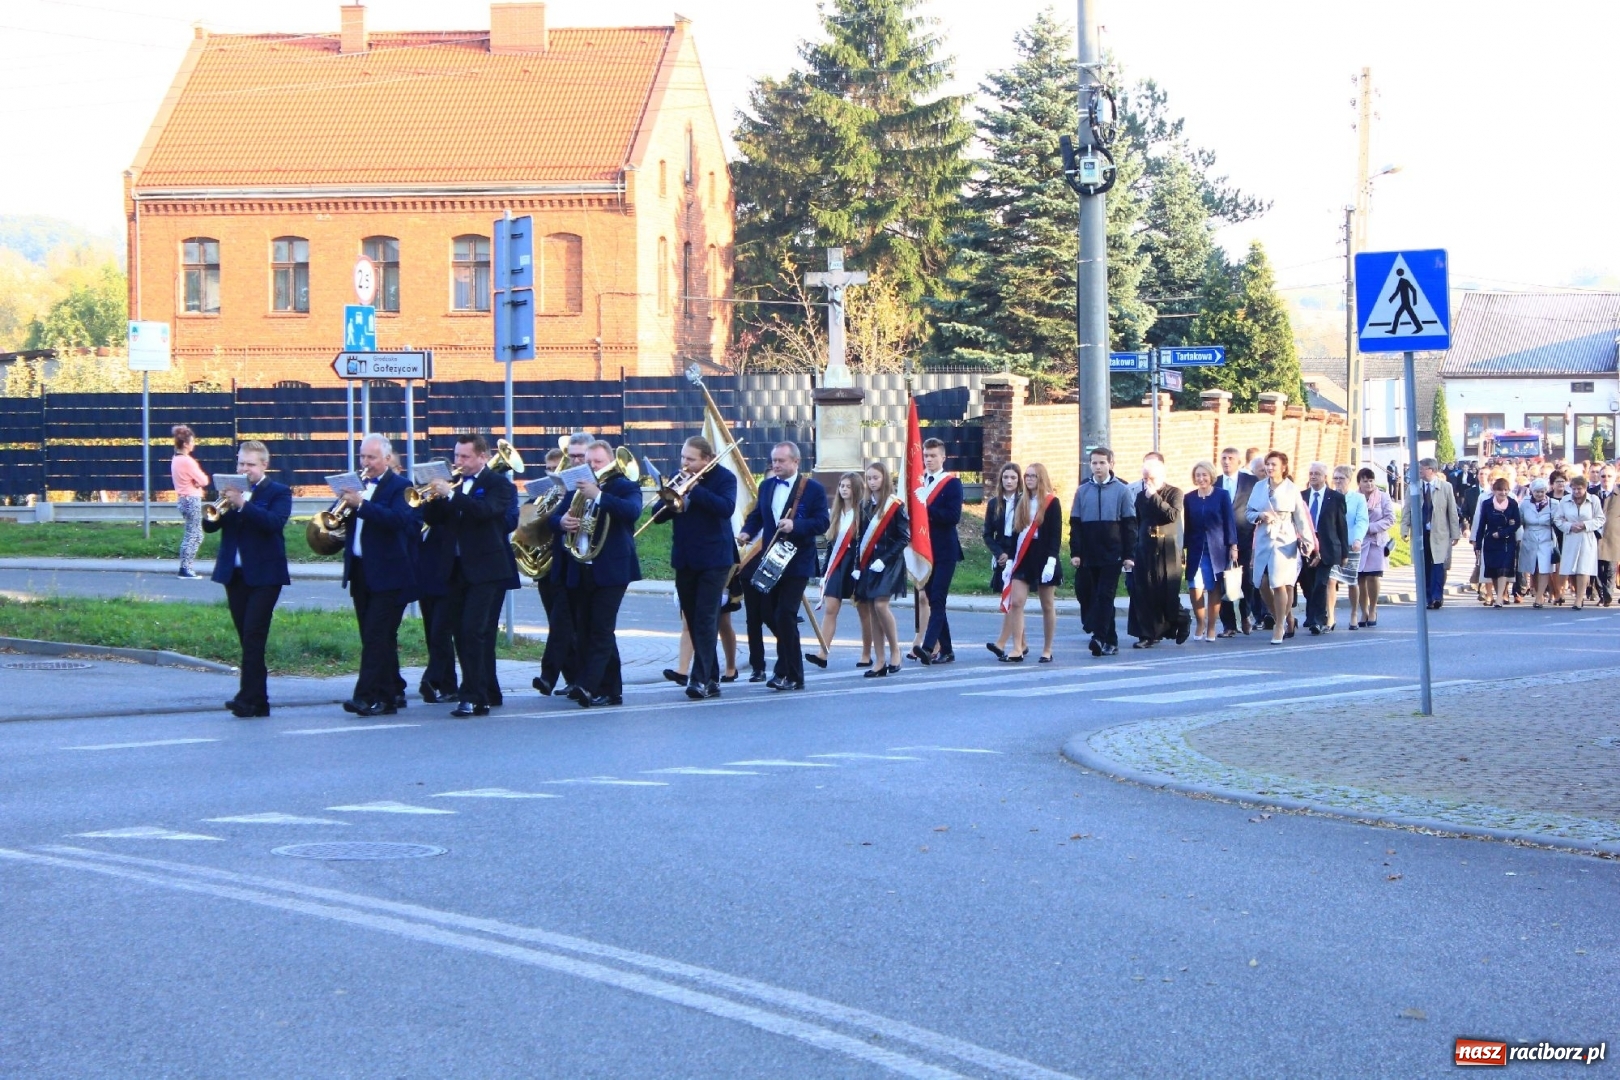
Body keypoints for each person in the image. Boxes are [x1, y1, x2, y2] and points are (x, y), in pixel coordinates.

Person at [423, 434, 518, 717]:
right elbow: (434, 520)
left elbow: (484, 511)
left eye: (465, 457)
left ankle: (474, 695)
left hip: (486, 570)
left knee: (473, 632)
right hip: (454, 569)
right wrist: (434, 499)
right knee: (454, 632)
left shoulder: (499, 484)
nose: (459, 462)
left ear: (482, 457)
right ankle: (475, 692)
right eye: (457, 456)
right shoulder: (455, 485)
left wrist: (452, 495)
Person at [202, 440, 291, 718]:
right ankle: (258, 700)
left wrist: (243, 505)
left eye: (250, 464)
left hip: (265, 575)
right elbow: (209, 525)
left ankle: (246, 697)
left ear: (264, 465)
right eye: (241, 463)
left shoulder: (278, 492)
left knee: (254, 634)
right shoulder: (230, 494)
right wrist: (218, 506)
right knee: (246, 637)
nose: (244, 469)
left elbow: (273, 524)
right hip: (235, 574)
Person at [550, 440, 641, 707]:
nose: (592, 467)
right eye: (588, 462)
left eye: (597, 462)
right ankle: (612, 690)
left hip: (612, 570)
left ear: (611, 462)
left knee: (600, 629)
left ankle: (587, 687)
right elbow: (553, 516)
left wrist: (598, 495)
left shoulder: (624, 485)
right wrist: (562, 522)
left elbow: (632, 511)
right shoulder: (576, 488)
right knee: (588, 630)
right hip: (582, 566)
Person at [648, 436, 736, 700]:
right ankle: (711, 676)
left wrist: (695, 489)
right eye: (683, 457)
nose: (684, 463)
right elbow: (657, 515)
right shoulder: (678, 476)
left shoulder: (724, 478)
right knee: (693, 618)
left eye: (691, 459)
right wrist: (669, 499)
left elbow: (726, 508)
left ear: (706, 459)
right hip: (685, 559)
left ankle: (697, 680)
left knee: (706, 618)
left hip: (714, 559)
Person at [738, 442, 829, 692]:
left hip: (797, 560)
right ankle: (792, 669)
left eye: (781, 461)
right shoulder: (767, 485)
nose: (776, 465)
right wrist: (747, 532)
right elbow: (758, 515)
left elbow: (822, 522)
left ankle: (786, 672)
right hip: (772, 559)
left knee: (785, 614)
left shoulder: (812, 489)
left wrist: (795, 526)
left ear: (796, 462)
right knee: (770, 614)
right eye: (773, 461)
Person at [338, 435, 417, 716]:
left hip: (390, 573)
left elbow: (399, 520)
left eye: (371, 457)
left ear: (387, 459)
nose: (365, 463)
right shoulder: (358, 486)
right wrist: (342, 510)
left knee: (375, 636)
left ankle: (365, 696)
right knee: (376, 637)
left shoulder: (401, 486)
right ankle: (389, 695)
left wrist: (361, 505)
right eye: (362, 457)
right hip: (360, 570)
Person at [989, 462, 1061, 662]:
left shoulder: (1051, 502)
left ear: (1041, 478)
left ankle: (1047, 649)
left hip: (1044, 555)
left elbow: (1055, 535)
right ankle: (1016, 648)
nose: (1028, 479)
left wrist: (1052, 560)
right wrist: (1011, 560)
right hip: (1024, 554)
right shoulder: (1021, 500)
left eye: (1033, 476)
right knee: (1017, 602)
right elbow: (1015, 532)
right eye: (1027, 476)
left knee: (1047, 604)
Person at [1069, 447, 1135, 656]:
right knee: (1091, 594)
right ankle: (1111, 639)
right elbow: (1076, 524)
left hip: (1112, 552)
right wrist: (1076, 552)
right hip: (1089, 552)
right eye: (1094, 463)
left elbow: (1129, 525)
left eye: (1102, 463)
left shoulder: (1122, 490)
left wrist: (1129, 555)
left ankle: (1098, 637)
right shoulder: (1082, 490)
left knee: (1105, 595)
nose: (1098, 467)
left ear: (1111, 464)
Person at [807, 472, 873, 670]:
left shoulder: (863, 512)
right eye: (841, 486)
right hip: (837, 565)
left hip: (856, 565)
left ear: (856, 489)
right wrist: (825, 572)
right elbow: (830, 544)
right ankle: (823, 653)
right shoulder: (835, 512)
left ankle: (867, 653)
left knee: (863, 611)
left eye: (848, 486)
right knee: (830, 608)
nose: (844, 489)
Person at [1248, 450, 1314, 645]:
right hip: (1263, 537)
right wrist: (1260, 516)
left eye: (1273, 464)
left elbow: (1301, 517)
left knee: (1279, 583)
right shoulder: (1259, 487)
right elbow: (1248, 512)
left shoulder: (1291, 488)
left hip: (1284, 539)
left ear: (1283, 467)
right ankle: (1285, 617)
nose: (1269, 468)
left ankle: (1279, 626)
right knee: (1261, 582)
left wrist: (1308, 541)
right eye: (1267, 464)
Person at [852, 461, 910, 677]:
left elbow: (904, 537)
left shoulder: (895, 505)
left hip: (889, 562)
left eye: (876, 477)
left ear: (884, 478)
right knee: (872, 609)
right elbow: (859, 537)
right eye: (869, 478)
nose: (872, 482)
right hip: (869, 562)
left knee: (881, 605)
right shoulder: (864, 505)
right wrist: (858, 565)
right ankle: (879, 660)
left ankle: (896, 650)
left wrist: (884, 559)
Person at [1127, 453, 1187, 649]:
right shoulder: (1139, 496)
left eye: (1150, 478)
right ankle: (1148, 634)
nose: (1147, 483)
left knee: (1167, 592)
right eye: (1145, 478)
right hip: (1145, 547)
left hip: (1167, 547)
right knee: (1144, 591)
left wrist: (1154, 497)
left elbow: (1172, 515)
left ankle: (1182, 618)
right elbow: (1136, 521)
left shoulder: (1174, 492)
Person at [529, 448, 574, 698]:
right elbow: (526, 520)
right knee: (557, 624)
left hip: (568, 564)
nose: (551, 473)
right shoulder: (546, 492)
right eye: (548, 468)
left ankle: (549, 676)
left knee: (562, 623)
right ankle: (572, 677)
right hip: (546, 567)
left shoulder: (573, 492)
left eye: (556, 468)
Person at [914, 438, 963, 665]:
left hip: (944, 550)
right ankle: (948, 650)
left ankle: (926, 646)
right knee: (933, 600)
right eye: (926, 456)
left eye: (933, 456)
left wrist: (928, 508)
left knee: (938, 598)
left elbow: (953, 516)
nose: (929, 460)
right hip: (924, 550)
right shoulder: (919, 481)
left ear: (943, 457)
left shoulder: (951, 483)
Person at [1181, 461, 1237, 643]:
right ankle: (1200, 622)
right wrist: (1183, 548)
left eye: (1204, 475)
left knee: (1214, 587)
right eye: (1198, 475)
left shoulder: (1221, 495)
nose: (1201, 478)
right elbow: (1187, 525)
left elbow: (1229, 521)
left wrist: (1233, 546)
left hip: (1217, 548)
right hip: (1196, 548)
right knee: (1194, 587)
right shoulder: (1189, 498)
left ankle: (1212, 626)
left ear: (1211, 476)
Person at [1401, 458, 1462, 610]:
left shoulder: (1445, 487)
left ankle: (1437, 597)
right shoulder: (1413, 488)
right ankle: (1427, 597)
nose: (1419, 471)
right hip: (1421, 533)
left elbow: (1452, 512)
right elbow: (1407, 509)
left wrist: (1455, 534)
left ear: (1431, 470)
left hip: (1439, 534)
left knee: (1438, 566)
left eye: (1422, 468)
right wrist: (1404, 529)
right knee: (1424, 566)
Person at [1213, 447, 1258, 636]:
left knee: (1246, 580)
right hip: (1220, 539)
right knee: (1224, 581)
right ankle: (1229, 625)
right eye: (1223, 458)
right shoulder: (1215, 482)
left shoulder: (1251, 482)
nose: (1226, 462)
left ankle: (1246, 614)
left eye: (1231, 458)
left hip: (1245, 537)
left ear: (1238, 461)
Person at [1300, 462, 1349, 634]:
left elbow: (1341, 526)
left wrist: (1345, 552)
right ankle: (1312, 615)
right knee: (1308, 585)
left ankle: (1317, 620)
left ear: (1324, 477)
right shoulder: (1302, 496)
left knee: (1321, 583)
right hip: (1307, 547)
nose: (1313, 476)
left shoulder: (1335, 497)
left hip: (1328, 547)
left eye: (1317, 473)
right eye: (1311, 473)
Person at [1470, 477, 1521, 610]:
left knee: (1504, 569)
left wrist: (1503, 533)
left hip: (1506, 541)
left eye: (1505, 490)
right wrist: (1478, 543)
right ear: (1494, 491)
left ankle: (1499, 598)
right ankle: (1499, 593)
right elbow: (1482, 524)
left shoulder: (1512, 504)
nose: (1503, 493)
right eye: (1500, 491)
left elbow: (1517, 523)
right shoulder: (1487, 503)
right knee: (1493, 570)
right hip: (1490, 540)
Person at [1554, 475, 1604, 610]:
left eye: (1579, 489)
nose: (1576, 492)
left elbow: (1600, 519)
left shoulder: (1594, 500)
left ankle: (1579, 598)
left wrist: (1585, 525)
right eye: (1574, 489)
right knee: (1570, 568)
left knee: (1583, 567)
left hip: (1587, 537)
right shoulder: (1565, 500)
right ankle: (1571, 592)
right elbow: (1558, 520)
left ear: (1585, 488)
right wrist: (1569, 526)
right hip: (1571, 537)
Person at [1355, 467, 1394, 627]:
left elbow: (1390, 519)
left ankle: (1373, 609)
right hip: (1358, 543)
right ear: (1359, 483)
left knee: (1373, 576)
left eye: (1371, 480)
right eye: (1365, 481)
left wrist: (1370, 527)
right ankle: (1363, 611)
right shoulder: (1354, 498)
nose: (1369, 484)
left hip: (1376, 542)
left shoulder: (1383, 497)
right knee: (1360, 579)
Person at [170, 425, 210, 579]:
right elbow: (204, 480)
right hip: (192, 499)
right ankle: (186, 568)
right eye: (192, 441)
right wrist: (198, 483)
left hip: (182, 499)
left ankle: (186, 566)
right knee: (194, 535)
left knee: (193, 534)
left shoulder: (176, 459)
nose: (194, 444)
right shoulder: (188, 461)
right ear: (185, 444)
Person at [1331, 465, 1368, 628]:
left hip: (1351, 544)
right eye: (1336, 478)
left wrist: (1358, 539)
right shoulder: (1329, 497)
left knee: (1352, 581)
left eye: (1341, 478)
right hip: (1333, 544)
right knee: (1331, 579)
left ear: (1349, 480)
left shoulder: (1358, 499)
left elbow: (1361, 520)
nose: (1338, 481)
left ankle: (1354, 612)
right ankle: (1330, 615)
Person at [1519, 478, 1558, 608]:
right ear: (1531, 491)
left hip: (1546, 537)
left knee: (1544, 567)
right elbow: (1520, 519)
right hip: (1529, 536)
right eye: (1536, 491)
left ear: (1546, 491)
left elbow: (1558, 521)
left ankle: (1540, 596)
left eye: (1542, 491)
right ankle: (1536, 591)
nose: (1539, 494)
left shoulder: (1554, 503)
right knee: (1532, 567)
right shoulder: (1524, 503)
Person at [1599, 465, 1620, 607]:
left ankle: (1608, 594)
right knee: (1599, 568)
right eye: (1603, 476)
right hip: (1596, 535)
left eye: (1609, 476)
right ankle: (1603, 594)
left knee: (1611, 567)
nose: (1606, 479)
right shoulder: (1593, 493)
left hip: (1614, 534)